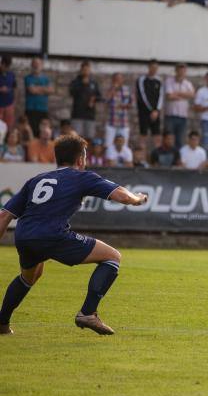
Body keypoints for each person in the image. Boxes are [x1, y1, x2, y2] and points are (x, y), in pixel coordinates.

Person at [0, 132, 150, 336]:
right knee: (112, 257)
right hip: (52, 235)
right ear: (81, 159)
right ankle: (88, 313)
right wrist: (137, 199)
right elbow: (121, 195)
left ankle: (2, 323)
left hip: (24, 235)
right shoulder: (82, 177)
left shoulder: (36, 180)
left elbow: (4, 216)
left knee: (30, 276)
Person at [69, 61, 101, 142]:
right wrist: (82, 85)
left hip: (90, 114)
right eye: (84, 70)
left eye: (87, 70)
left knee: (89, 138)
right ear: (81, 70)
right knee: (76, 138)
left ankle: (87, 154)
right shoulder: (75, 82)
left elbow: (99, 96)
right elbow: (72, 93)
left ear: (90, 70)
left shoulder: (94, 83)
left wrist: (94, 99)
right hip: (77, 114)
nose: (86, 71)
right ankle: (77, 154)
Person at [163, 63, 194, 148]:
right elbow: (169, 96)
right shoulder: (169, 81)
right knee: (168, 139)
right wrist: (184, 96)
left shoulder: (188, 83)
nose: (181, 72)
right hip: (170, 116)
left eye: (183, 70)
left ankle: (177, 159)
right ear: (176, 70)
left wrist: (177, 93)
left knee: (180, 140)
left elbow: (191, 94)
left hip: (182, 116)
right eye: (179, 70)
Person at [136, 59, 163, 146]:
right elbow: (142, 95)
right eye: (152, 67)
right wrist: (151, 109)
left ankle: (156, 157)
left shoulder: (159, 81)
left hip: (155, 113)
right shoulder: (141, 80)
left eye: (156, 68)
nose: (154, 69)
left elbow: (161, 96)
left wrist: (157, 110)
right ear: (149, 67)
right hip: (144, 111)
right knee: (143, 135)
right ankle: (141, 157)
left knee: (157, 135)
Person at [24, 57, 54, 136]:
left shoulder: (46, 79)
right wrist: (44, 89)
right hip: (31, 109)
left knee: (42, 131)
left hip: (43, 109)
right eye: (34, 64)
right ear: (31, 65)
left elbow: (51, 90)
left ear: (41, 65)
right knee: (31, 131)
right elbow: (32, 90)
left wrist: (37, 88)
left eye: (38, 64)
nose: (36, 66)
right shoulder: (28, 78)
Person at [104, 73, 132, 148]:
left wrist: (126, 106)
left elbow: (132, 103)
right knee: (108, 145)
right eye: (116, 79)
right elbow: (106, 101)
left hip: (123, 122)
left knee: (124, 146)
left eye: (120, 79)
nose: (118, 81)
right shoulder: (110, 89)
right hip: (112, 122)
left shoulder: (127, 89)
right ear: (113, 80)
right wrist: (113, 90)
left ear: (123, 80)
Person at [0, 56, 16, 131]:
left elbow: (15, 87)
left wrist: (15, 101)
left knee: (9, 126)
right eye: (5, 66)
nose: (6, 68)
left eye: (8, 66)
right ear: (1, 64)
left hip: (9, 104)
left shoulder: (11, 74)